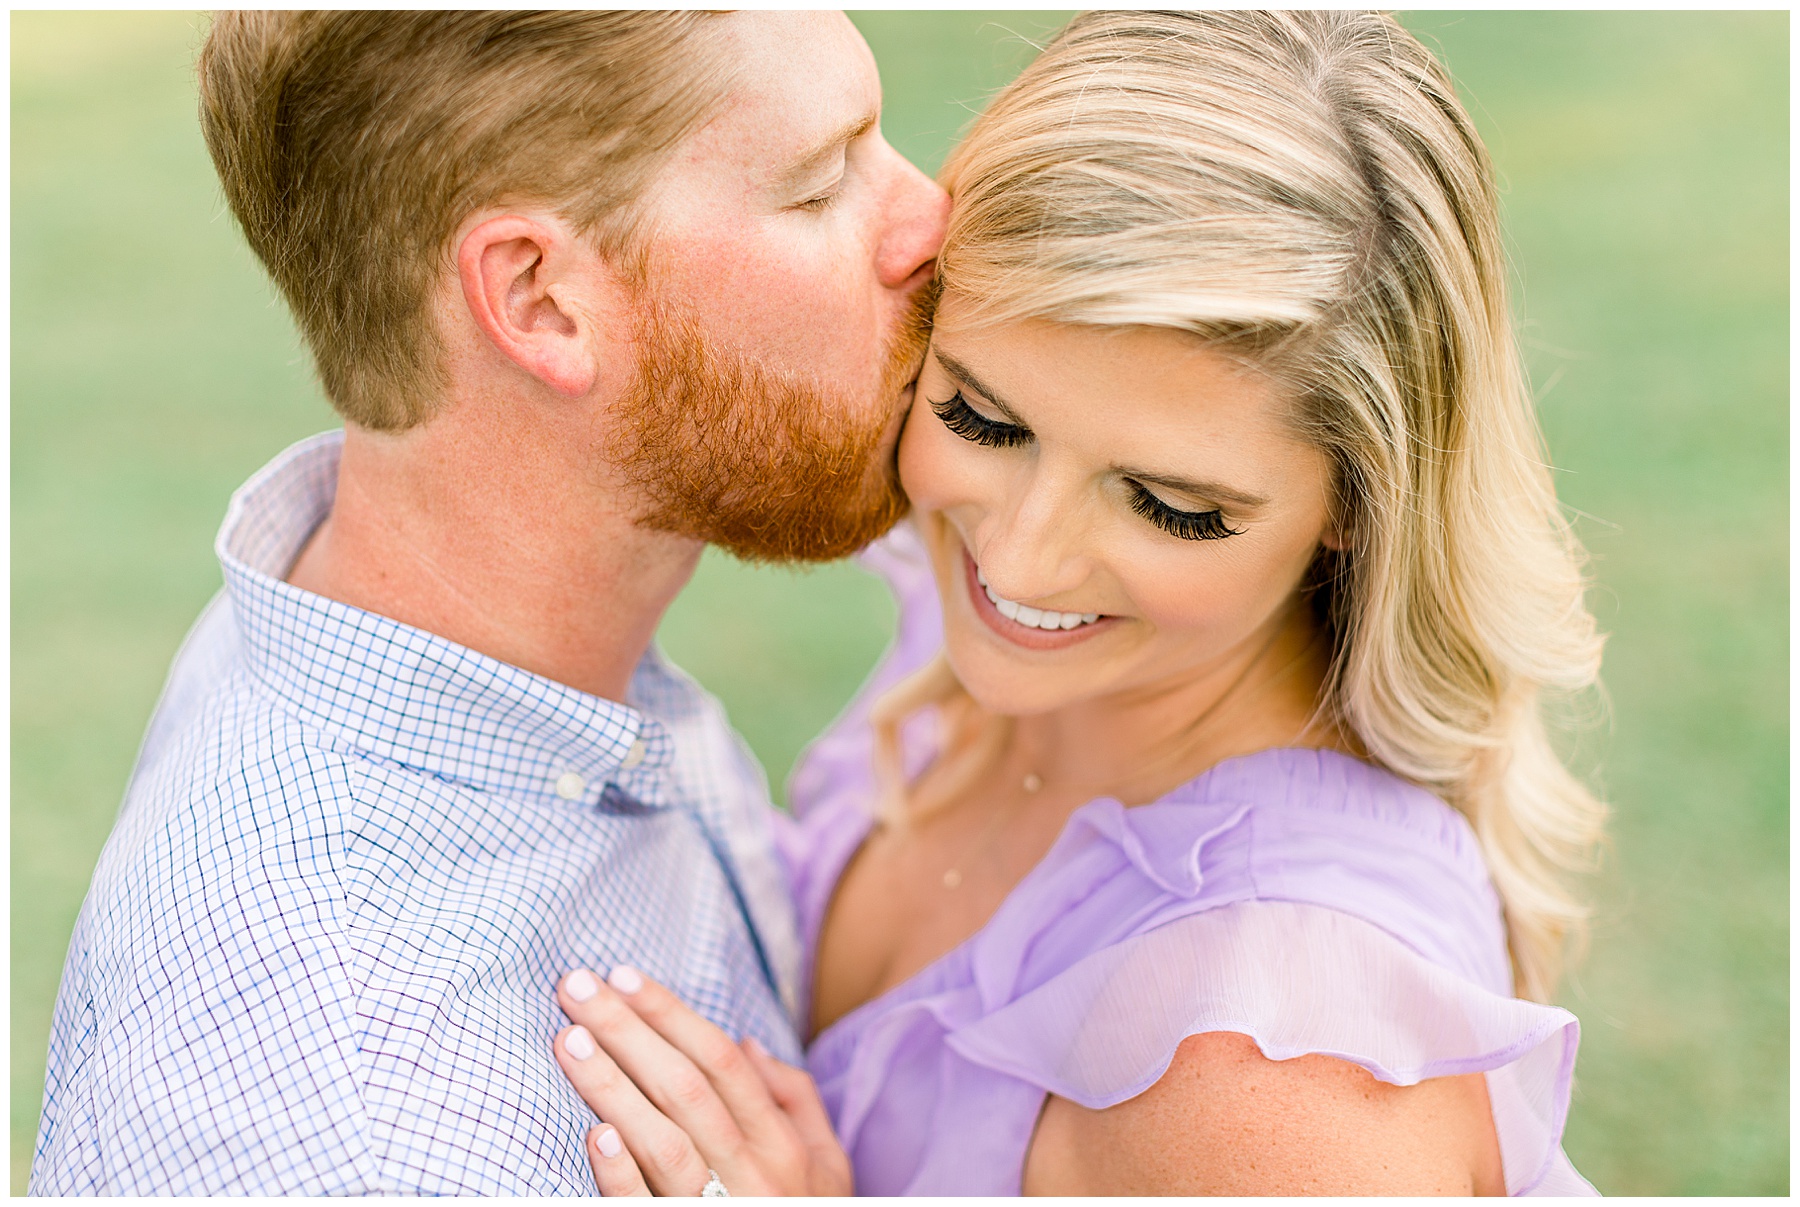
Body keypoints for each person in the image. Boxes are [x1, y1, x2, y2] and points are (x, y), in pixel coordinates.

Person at [546, 11, 1605, 1196]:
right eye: (982, 419)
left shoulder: (1274, 1075)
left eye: (1169, 505)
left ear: (1358, 504)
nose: (1024, 560)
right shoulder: (984, 652)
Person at [30, 11, 946, 1195]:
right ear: (540, 299)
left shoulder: (417, 617)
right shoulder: (365, 1122)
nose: (930, 216)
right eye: (822, 185)